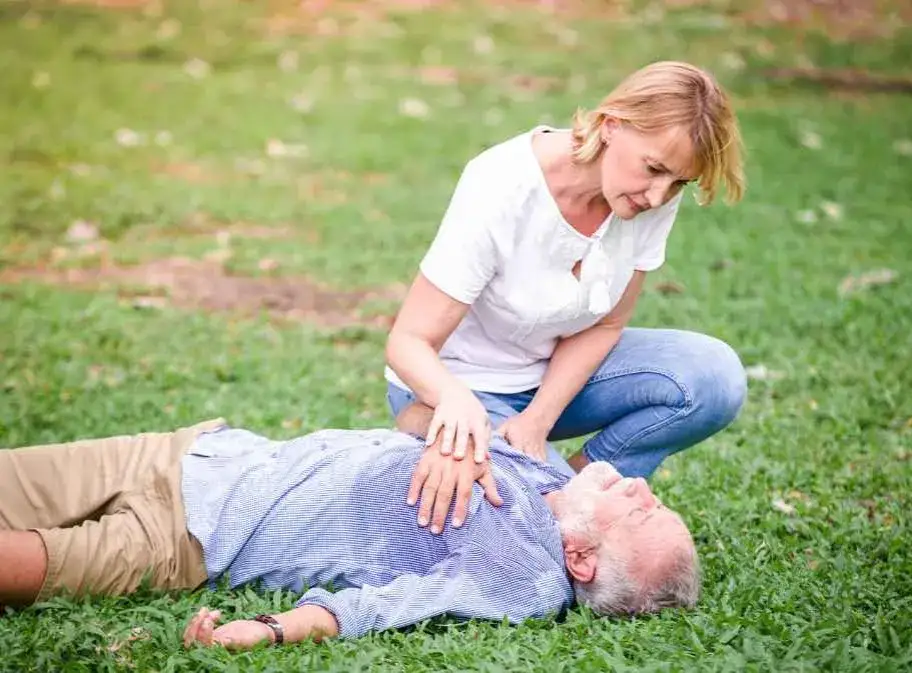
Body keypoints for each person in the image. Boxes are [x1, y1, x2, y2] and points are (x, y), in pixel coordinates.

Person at [0, 404, 699, 650]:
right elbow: (414, 414)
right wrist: (455, 419)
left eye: (641, 511)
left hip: (185, 538)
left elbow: (383, 606)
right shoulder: (541, 469)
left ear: (580, 560)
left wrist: (271, 629)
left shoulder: (524, 577)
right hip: (197, 454)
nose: (641, 486)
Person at [384, 60, 748, 516]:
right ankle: (439, 432)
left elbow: (607, 324)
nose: (658, 196)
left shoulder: (648, 196)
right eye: (654, 169)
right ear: (611, 125)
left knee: (714, 378)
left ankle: (575, 488)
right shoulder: (502, 184)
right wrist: (456, 401)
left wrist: (537, 421)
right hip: (460, 386)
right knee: (542, 527)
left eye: (679, 183)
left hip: (552, 381)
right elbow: (408, 342)